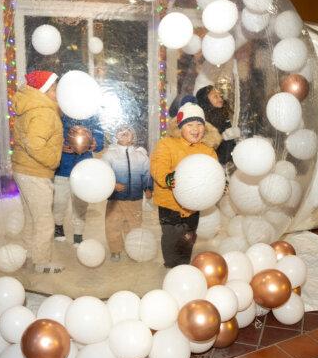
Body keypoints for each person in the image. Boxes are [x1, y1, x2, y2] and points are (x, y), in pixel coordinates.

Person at [150, 102, 218, 267]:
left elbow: (213, 172)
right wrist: (167, 178)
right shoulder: (166, 144)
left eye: (199, 124)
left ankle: (184, 265)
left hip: (193, 205)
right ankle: (171, 265)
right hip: (169, 204)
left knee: (188, 237)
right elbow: (158, 165)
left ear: (205, 127)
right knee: (171, 237)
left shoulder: (207, 150)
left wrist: (218, 184)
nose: (195, 129)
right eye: (190, 124)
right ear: (180, 127)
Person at [12, 70, 64, 274]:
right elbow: (35, 144)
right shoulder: (43, 112)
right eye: (55, 88)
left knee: (32, 217)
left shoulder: (33, 108)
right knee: (43, 219)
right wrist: (53, 160)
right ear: (46, 90)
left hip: (24, 169)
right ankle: (41, 261)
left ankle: (26, 255)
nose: (59, 92)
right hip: (35, 172)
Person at [102, 125, 153, 261]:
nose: (124, 134)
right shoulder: (109, 155)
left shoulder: (140, 156)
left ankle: (134, 249)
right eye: (121, 132)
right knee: (113, 224)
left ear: (133, 137)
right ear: (116, 136)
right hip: (115, 199)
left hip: (134, 198)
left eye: (128, 132)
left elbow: (147, 174)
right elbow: (103, 173)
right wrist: (112, 184)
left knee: (134, 224)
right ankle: (115, 250)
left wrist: (148, 188)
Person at [53, 114, 104, 244]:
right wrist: (59, 146)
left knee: (80, 204)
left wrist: (95, 143)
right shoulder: (58, 113)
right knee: (59, 202)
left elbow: (99, 136)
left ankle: (78, 234)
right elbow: (51, 135)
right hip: (62, 168)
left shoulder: (91, 115)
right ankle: (58, 226)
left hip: (84, 168)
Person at [196, 85, 240, 165]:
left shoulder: (225, 113)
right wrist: (222, 137)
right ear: (205, 100)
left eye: (220, 96)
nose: (220, 99)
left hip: (230, 161)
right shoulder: (201, 120)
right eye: (215, 96)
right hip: (212, 164)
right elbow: (204, 144)